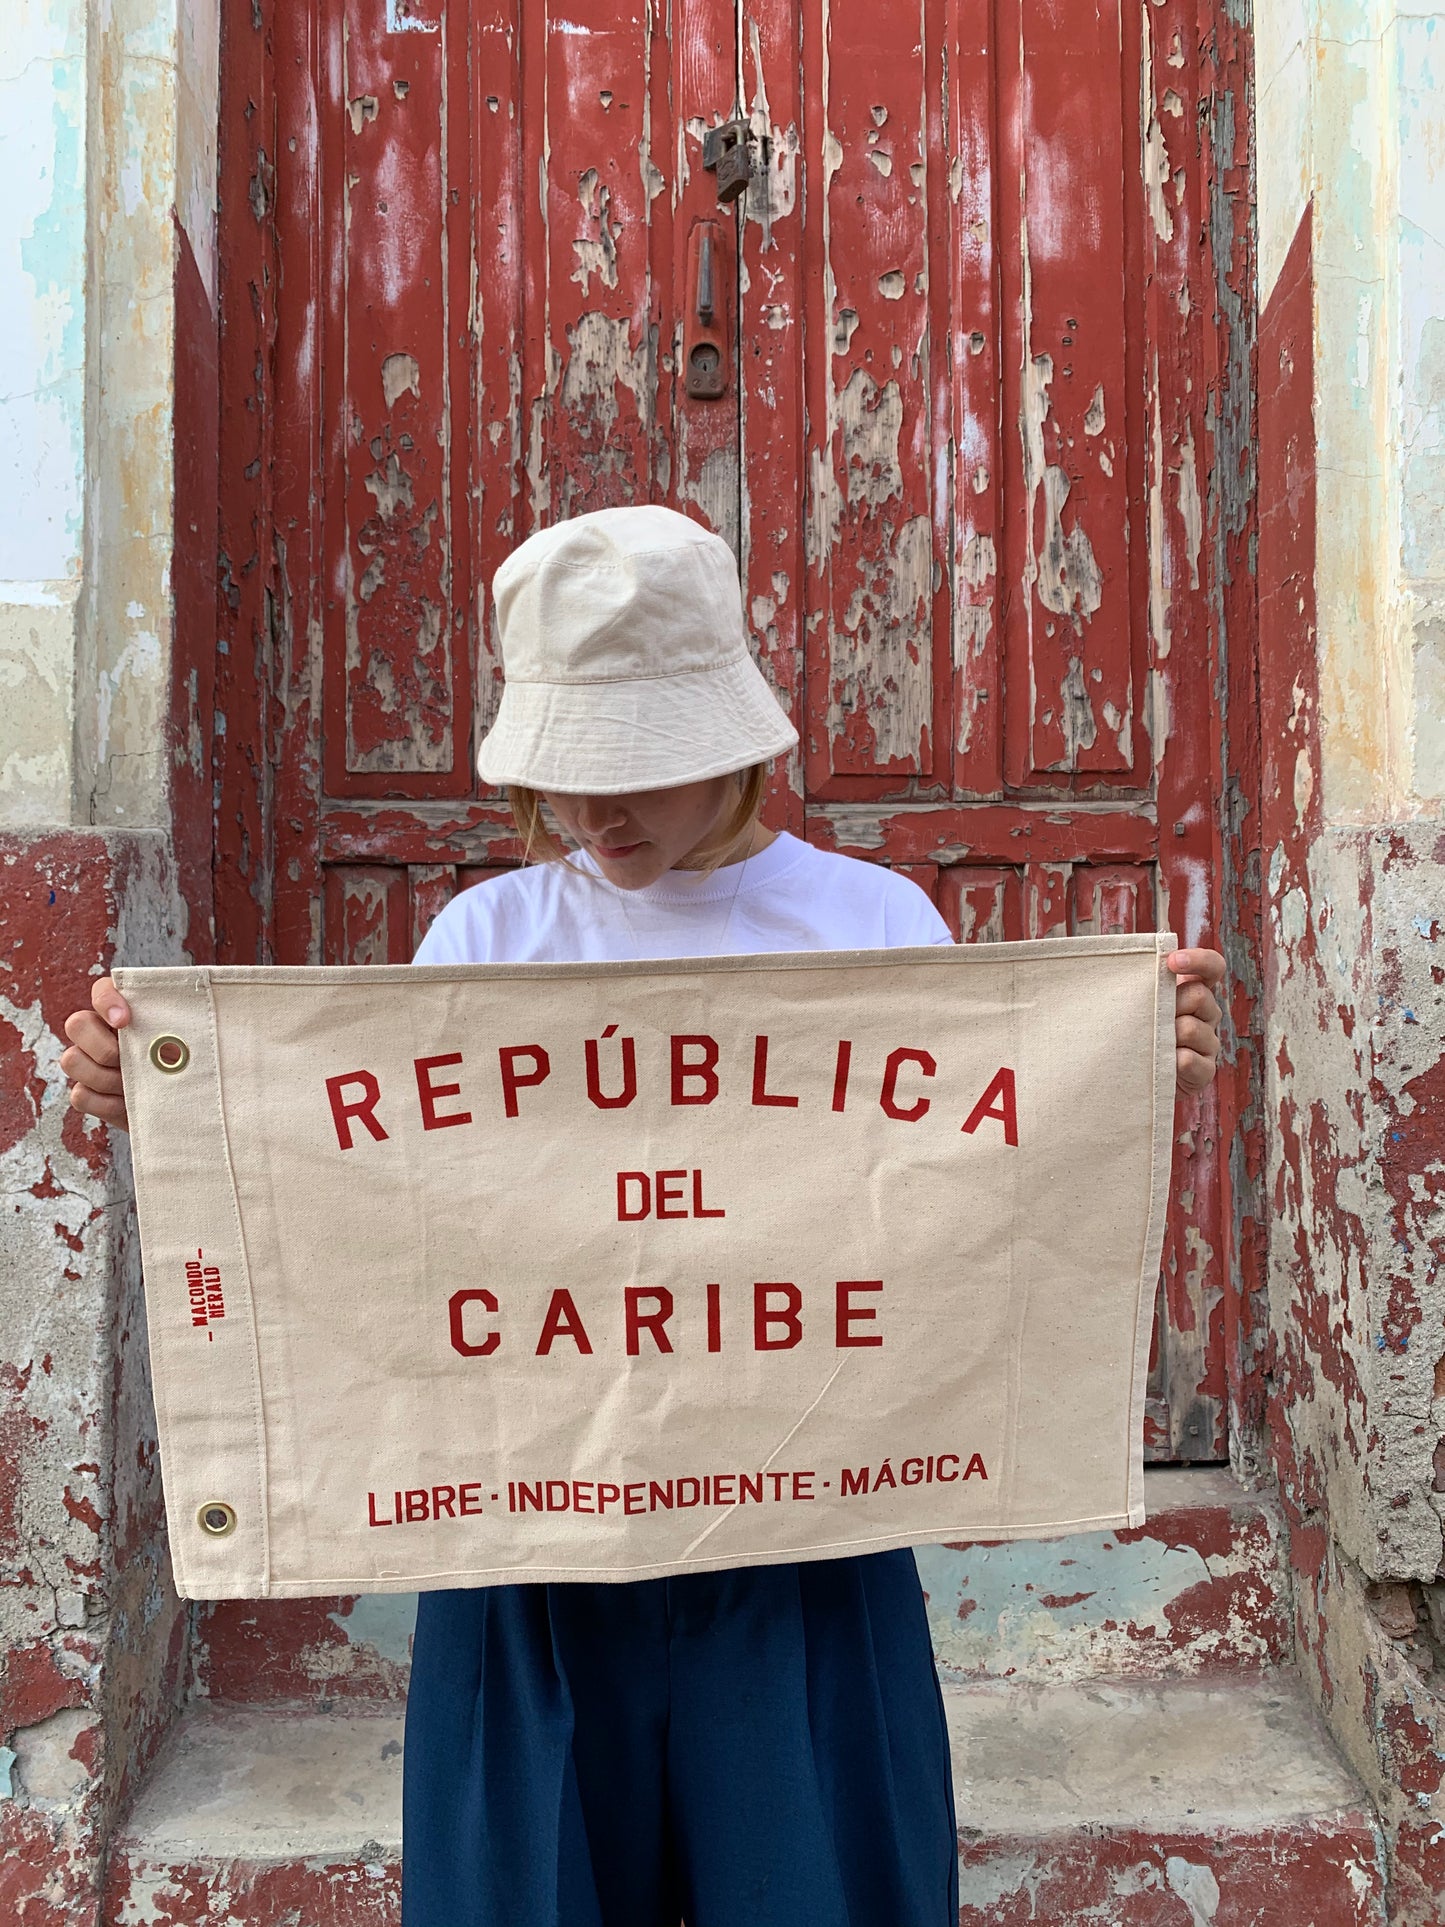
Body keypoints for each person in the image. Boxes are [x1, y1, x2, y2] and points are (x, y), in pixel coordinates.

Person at [61, 505, 1225, 1926]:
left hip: (808, 1529)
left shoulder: (874, 930)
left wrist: (1117, 1069)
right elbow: (387, 1216)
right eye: (562, 778)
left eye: (638, 771)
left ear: (738, 743)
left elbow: (967, 1217)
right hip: (520, 1541)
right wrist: (181, 1105)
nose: (595, 814)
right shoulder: (486, 941)